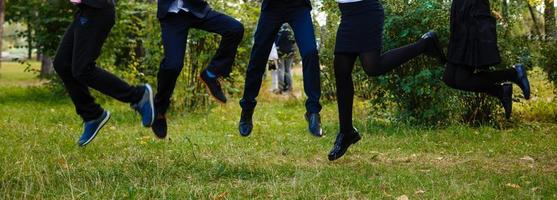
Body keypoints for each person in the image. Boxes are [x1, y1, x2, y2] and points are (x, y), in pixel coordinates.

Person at [328, 0, 446, 161]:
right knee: (341, 69)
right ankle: (346, 131)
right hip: (347, 13)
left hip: (367, 11)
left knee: (373, 67)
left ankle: (424, 44)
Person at [53, 0, 155, 147]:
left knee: (83, 69)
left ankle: (138, 96)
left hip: (98, 9)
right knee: (62, 64)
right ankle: (92, 114)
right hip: (85, 11)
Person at [153, 0, 245, 138]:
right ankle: (159, 111)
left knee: (235, 29)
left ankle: (211, 73)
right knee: (173, 66)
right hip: (171, 15)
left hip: (197, 9)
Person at [239, 0, 323, 137]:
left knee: (311, 52)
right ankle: (247, 108)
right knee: (258, 55)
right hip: (272, 8)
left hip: (299, 7)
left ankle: (313, 112)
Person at [442, 0, 530, 120]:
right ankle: (503, 87)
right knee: (449, 78)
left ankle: (512, 75)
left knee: (460, 79)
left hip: (472, 14)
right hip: (460, 12)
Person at [275, 24, 296, 93]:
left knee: (280, 70)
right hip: (290, 51)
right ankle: (289, 88)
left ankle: (280, 88)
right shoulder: (291, 27)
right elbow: (294, 40)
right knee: (288, 70)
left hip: (280, 51)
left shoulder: (277, 26)